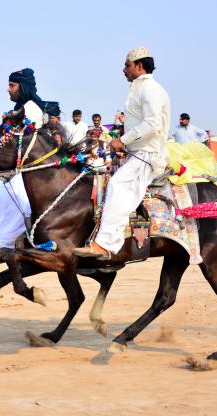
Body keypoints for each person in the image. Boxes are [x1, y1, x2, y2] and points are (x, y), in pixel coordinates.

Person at [74, 47, 171, 258]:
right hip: (136, 152)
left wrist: (122, 140)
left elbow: (153, 123)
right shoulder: (140, 88)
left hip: (147, 155)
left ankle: (106, 245)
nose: (123, 69)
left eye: (127, 65)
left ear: (139, 66)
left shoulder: (150, 89)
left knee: (118, 186)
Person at [0, 68, 57, 259]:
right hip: (22, 166)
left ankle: (33, 241)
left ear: (22, 86)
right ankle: (4, 241)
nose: (8, 89)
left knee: (21, 196)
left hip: (34, 168)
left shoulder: (31, 108)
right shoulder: (21, 108)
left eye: (12, 85)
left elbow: (21, 142)